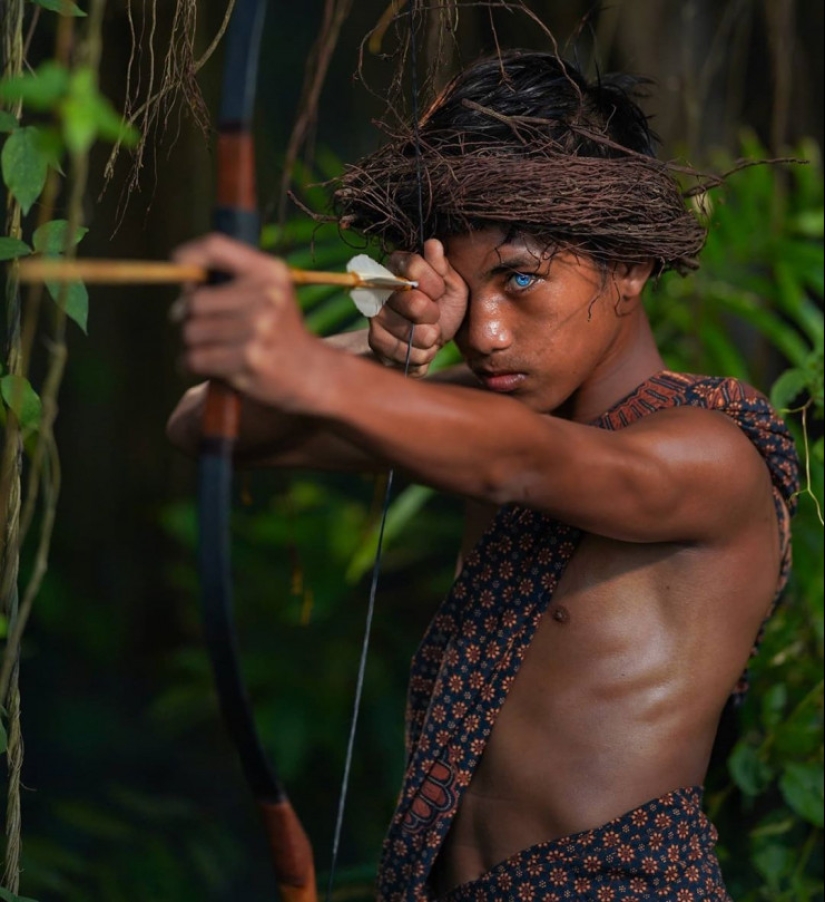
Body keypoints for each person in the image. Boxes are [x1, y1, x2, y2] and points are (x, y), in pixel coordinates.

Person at [167, 51, 799, 902]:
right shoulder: (480, 412)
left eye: (522, 279)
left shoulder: (709, 451)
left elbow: (519, 462)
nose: (486, 332)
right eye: (464, 294)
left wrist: (309, 370)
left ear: (632, 265)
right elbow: (207, 425)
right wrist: (383, 342)